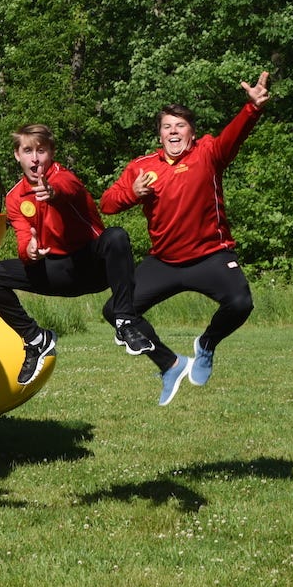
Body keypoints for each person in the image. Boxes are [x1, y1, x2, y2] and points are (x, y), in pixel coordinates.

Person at [99, 72, 272, 395]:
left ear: (191, 133)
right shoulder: (141, 167)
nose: (173, 131)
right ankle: (170, 364)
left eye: (180, 126)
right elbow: (107, 205)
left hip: (210, 255)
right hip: (164, 261)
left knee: (240, 303)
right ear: (160, 135)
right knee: (116, 311)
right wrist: (133, 193)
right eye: (167, 127)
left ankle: (206, 344)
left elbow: (233, 137)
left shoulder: (208, 154)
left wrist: (252, 109)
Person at [0, 124, 166, 396]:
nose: (35, 158)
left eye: (41, 151)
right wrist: (31, 251)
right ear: (17, 155)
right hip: (54, 271)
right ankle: (36, 340)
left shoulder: (64, 178)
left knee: (116, 236)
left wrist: (52, 193)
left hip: (92, 267)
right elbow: (24, 239)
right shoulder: (15, 197)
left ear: (51, 154)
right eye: (28, 151)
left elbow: (66, 190)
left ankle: (125, 322)